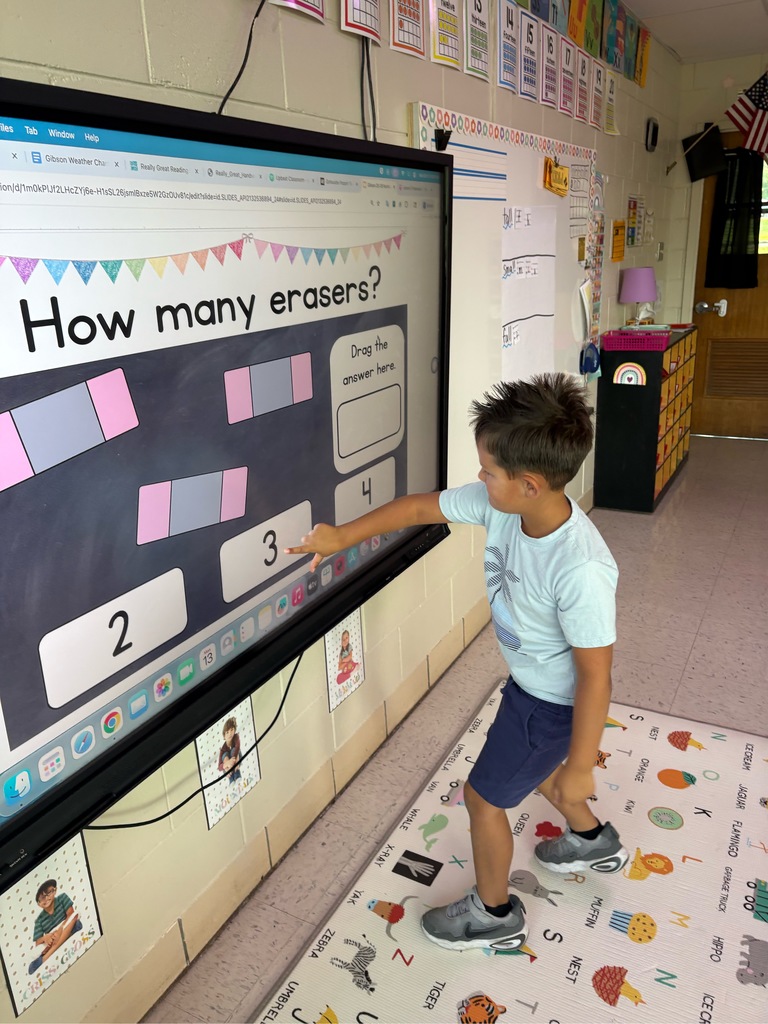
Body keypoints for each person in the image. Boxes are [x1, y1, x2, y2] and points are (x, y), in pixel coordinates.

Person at [286, 373, 628, 953]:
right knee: (536, 773)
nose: (479, 478)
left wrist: (581, 761)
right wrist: (342, 537)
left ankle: (494, 915)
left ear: (528, 483)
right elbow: (422, 506)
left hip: (551, 705)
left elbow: (596, 674)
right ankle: (593, 839)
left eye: (488, 471)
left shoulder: (580, 568)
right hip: (531, 690)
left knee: (484, 800)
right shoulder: (505, 507)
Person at [28, 879, 82, 974]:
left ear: (55, 890)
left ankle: (45, 958)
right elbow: (38, 942)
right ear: (38, 904)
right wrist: (46, 938)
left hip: (65, 925)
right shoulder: (39, 920)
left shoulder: (62, 898)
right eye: (41, 898)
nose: (46, 898)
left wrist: (60, 930)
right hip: (52, 938)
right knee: (35, 954)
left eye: (49, 893)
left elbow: (71, 914)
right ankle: (67, 936)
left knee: (75, 917)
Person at [218, 717, 242, 785]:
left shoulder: (236, 737)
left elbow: (237, 747)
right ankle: (231, 779)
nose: (230, 733)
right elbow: (219, 767)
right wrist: (227, 764)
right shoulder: (222, 749)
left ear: (234, 730)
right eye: (227, 732)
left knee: (234, 750)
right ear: (224, 736)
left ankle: (237, 775)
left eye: (232, 730)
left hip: (237, 760)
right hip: (227, 768)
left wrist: (233, 760)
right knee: (225, 755)